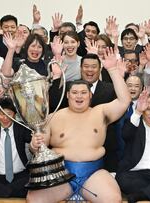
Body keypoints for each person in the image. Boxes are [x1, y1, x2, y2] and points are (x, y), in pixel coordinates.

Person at [26, 48, 130, 202]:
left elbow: (124, 101)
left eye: (83, 92)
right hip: (60, 173)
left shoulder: (100, 113)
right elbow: (38, 147)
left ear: (90, 95)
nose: (79, 96)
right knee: (34, 199)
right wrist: (34, 144)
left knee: (113, 199)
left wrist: (113, 69)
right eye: (74, 92)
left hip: (94, 174)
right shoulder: (53, 117)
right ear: (68, 95)